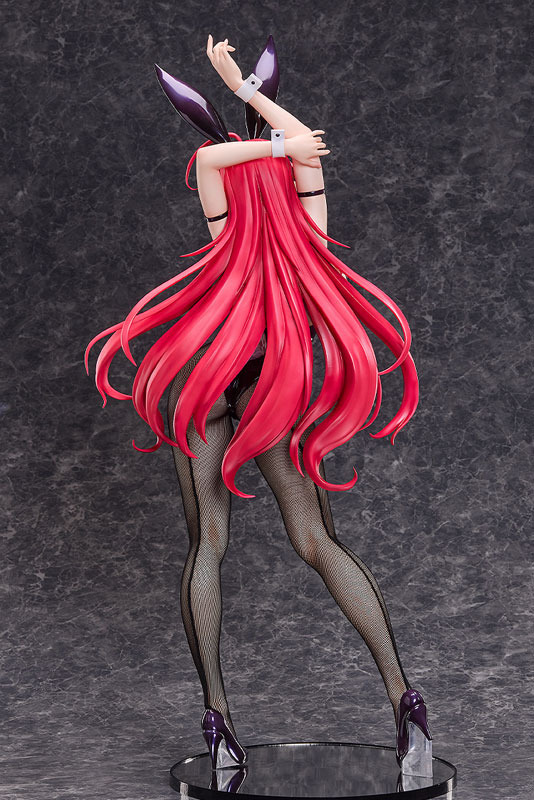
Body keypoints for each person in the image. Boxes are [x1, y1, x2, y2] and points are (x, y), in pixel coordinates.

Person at [85, 34, 432, 777]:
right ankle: (405, 701)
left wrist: (246, 117)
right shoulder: (308, 209)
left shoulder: (222, 189)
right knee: (316, 540)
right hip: (273, 377)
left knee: (207, 544)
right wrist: (253, 100)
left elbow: (214, 158)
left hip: (208, 370)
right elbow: (301, 143)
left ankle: (218, 720)